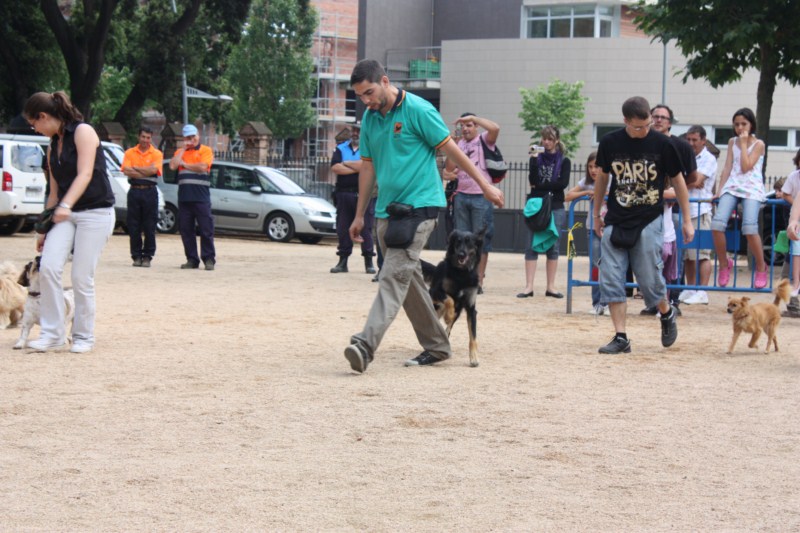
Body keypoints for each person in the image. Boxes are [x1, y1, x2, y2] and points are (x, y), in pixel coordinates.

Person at [342, 59, 504, 373]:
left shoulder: (418, 110)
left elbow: (451, 151)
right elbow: (368, 167)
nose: (366, 101)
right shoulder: (372, 120)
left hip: (421, 207)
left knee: (392, 277)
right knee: (409, 280)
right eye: (360, 96)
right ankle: (438, 345)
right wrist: (359, 214)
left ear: (385, 81)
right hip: (387, 210)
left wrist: (484, 185)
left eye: (370, 92)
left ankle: (364, 345)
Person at [592, 96, 694, 354]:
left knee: (649, 278)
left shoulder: (663, 144)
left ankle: (666, 312)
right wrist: (596, 213)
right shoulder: (610, 142)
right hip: (616, 217)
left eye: (648, 123)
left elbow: (679, 182)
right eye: (639, 126)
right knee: (612, 277)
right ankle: (621, 336)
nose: (645, 129)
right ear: (626, 121)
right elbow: (603, 177)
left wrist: (688, 221)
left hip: (649, 217)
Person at [23, 91, 116, 353]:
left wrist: (65, 205)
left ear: (43, 116)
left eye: (34, 124)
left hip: (95, 212)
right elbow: (53, 191)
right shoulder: (53, 144)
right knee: (49, 268)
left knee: (80, 276)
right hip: (65, 213)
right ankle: (52, 333)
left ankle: (83, 336)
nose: (35, 129)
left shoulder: (83, 132)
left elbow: (85, 173)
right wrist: (44, 229)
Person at [640, 104, 697, 316]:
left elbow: (691, 176)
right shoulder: (642, 143)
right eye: (655, 116)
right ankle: (654, 301)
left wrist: (676, 192)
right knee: (648, 256)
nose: (658, 120)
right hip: (645, 208)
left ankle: (673, 299)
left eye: (663, 117)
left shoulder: (680, 146)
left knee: (671, 255)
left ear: (670, 122)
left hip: (671, 209)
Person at [710, 108, 768, 289]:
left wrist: (743, 144)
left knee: (749, 227)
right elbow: (728, 166)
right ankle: (724, 263)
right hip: (732, 187)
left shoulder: (759, 144)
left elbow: (746, 166)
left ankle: (760, 266)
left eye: (744, 124)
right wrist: (720, 190)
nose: (740, 127)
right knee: (717, 224)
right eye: (736, 124)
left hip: (751, 188)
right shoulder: (731, 142)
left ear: (751, 124)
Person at [443, 113, 500, 292]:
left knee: (481, 241)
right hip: (461, 195)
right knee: (461, 241)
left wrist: (474, 117)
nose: (466, 129)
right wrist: (454, 143)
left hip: (481, 197)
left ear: (476, 127)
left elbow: (495, 128)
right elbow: (449, 169)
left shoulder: (484, 140)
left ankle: (478, 280)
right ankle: (464, 279)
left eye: (470, 125)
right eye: (464, 126)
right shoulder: (458, 143)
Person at [517, 126, 570, 299]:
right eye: (544, 139)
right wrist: (533, 160)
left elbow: (562, 184)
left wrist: (541, 186)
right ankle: (529, 286)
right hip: (536, 205)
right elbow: (532, 180)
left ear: (556, 140)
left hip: (555, 206)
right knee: (530, 244)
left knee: (553, 246)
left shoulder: (564, 161)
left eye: (550, 139)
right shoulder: (536, 159)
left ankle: (551, 287)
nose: (546, 142)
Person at [329, 122, 376, 274]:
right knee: (343, 227)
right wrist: (358, 168)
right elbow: (335, 167)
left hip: (365, 193)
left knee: (366, 227)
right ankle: (343, 261)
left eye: (359, 131)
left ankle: (369, 261)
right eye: (354, 130)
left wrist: (347, 164)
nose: (355, 133)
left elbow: (369, 167)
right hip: (344, 193)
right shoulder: (341, 147)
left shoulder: (370, 148)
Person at [679, 125, 718, 305]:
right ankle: (690, 287)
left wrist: (689, 181)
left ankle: (703, 290)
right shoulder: (685, 156)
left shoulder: (708, 159)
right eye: (688, 140)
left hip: (701, 210)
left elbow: (697, 180)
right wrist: (691, 181)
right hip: (685, 210)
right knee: (688, 253)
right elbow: (691, 180)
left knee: (702, 254)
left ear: (703, 141)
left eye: (695, 140)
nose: (691, 143)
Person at [565, 151, 607, 314]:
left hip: (609, 228)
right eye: (590, 167)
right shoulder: (587, 183)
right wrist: (586, 192)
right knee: (596, 265)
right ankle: (597, 302)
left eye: (596, 166)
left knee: (610, 266)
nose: (593, 170)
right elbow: (568, 195)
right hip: (592, 228)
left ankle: (609, 301)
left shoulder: (610, 181)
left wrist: (602, 194)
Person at [169, 124, 215, 271]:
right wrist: (183, 150)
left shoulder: (206, 150)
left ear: (198, 136)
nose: (191, 140)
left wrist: (185, 164)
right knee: (186, 231)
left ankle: (209, 259)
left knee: (206, 230)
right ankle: (192, 259)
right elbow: (172, 166)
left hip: (201, 198)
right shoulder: (180, 152)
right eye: (188, 137)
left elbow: (202, 167)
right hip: (184, 198)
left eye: (193, 136)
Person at [121, 127, 163, 268]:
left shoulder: (157, 154)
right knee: (134, 226)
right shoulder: (129, 152)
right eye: (143, 137)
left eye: (148, 137)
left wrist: (136, 169)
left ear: (151, 138)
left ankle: (147, 256)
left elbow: (154, 170)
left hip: (150, 192)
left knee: (150, 225)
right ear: (139, 137)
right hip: (134, 192)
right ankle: (136, 256)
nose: (145, 140)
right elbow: (126, 170)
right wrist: (145, 171)